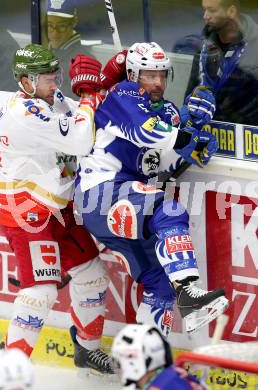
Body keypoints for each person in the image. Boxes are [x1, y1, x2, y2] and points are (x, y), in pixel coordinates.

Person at [74, 41, 229, 336]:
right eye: (149, 75)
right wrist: (186, 139)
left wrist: (194, 129)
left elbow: (163, 164)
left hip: (126, 203)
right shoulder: (123, 94)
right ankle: (189, 293)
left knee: (160, 283)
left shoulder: (168, 112)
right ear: (133, 75)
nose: (158, 83)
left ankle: (148, 365)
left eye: (162, 75)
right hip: (99, 193)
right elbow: (146, 130)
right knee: (168, 209)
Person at [0, 43, 114, 374]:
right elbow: (79, 139)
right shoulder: (25, 113)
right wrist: (90, 98)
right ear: (25, 81)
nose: (55, 84)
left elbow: (82, 118)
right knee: (42, 291)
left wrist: (103, 88)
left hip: (57, 208)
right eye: (46, 78)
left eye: (55, 75)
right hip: (28, 212)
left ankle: (87, 350)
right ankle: (9, 369)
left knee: (93, 276)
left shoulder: (47, 99)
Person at [185, 0, 258, 126]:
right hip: (208, 130)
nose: (205, 16)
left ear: (231, 11)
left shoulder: (254, 45)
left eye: (212, 10)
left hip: (248, 134)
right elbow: (191, 94)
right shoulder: (204, 47)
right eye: (204, 9)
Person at [112, 324, 206, 389]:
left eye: (122, 363)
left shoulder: (159, 386)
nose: (121, 369)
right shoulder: (172, 374)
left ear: (135, 363)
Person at [47, 0, 95, 97]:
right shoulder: (48, 51)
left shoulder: (84, 63)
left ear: (74, 22)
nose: (55, 33)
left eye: (61, 26)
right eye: (50, 25)